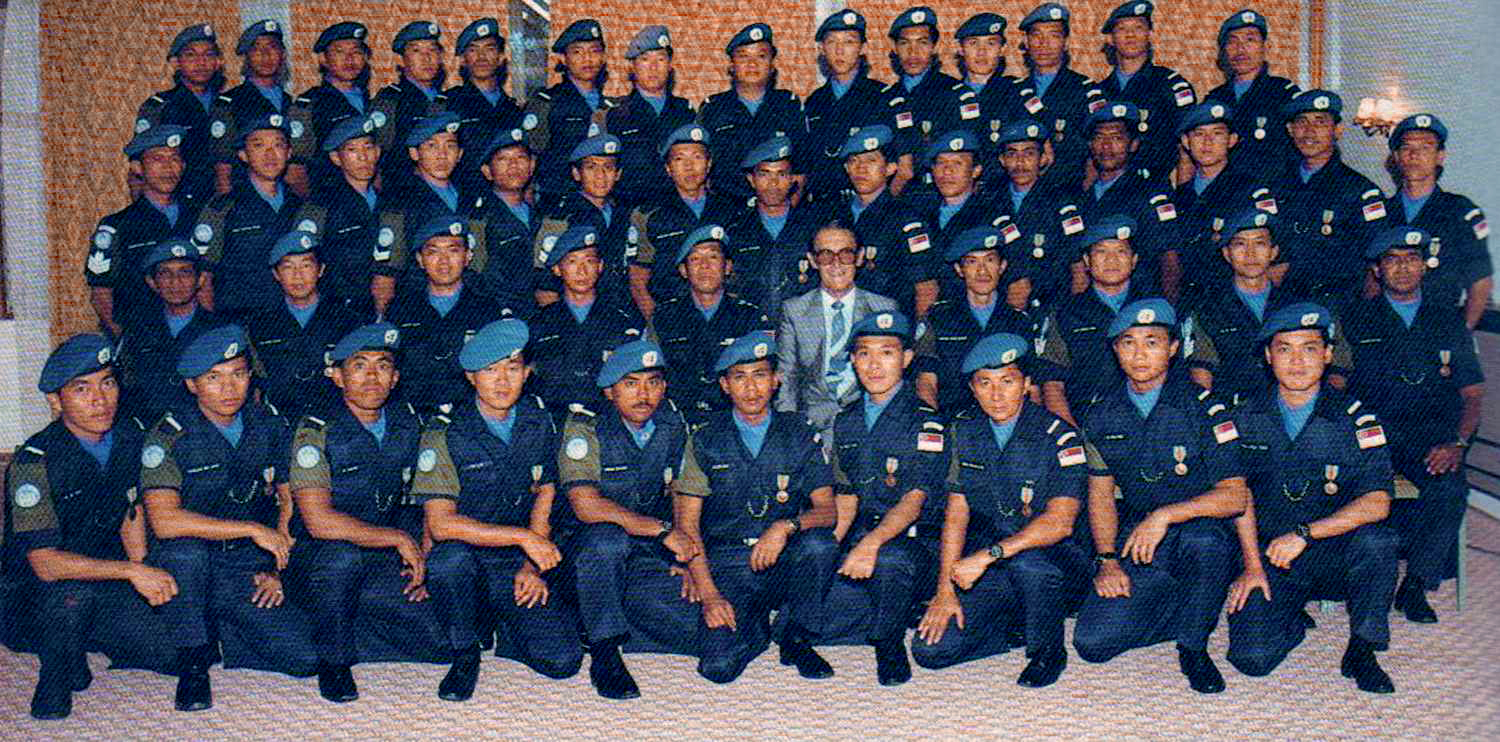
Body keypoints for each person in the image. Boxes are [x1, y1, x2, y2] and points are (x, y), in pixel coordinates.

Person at [1071, 299, 1247, 694]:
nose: (1139, 354)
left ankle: (1194, 646)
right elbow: (1100, 495)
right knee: (1092, 643)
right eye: (1128, 343)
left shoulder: (1205, 408)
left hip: (1202, 530)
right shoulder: (1101, 414)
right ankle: (1194, 602)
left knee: (1205, 542)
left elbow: (1236, 497)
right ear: (1115, 350)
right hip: (1142, 536)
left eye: (1152, 342)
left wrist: (1166, 515)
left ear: (1172, 348)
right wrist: (1107, 561)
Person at [1223, 303, 1400, 694]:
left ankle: (1363, 648)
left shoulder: (1358, 420)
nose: (1297, 361)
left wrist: (1306, 532)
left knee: (1379, 541)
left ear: (1328, 354)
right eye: (1285, 349)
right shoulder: (1244, 417)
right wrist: (1251, 565)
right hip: (1272, 554)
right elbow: (1238, 496)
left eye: (1309, 348)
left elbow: (1377, 502)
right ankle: (1291, 618)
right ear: (1269, 357)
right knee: (1252, 659)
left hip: (1335, 551)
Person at [140, 325, 318, 711]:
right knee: (186, 554)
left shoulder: (269, 425)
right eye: (213, 378)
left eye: (238, 374)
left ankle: (220, 625)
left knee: (305, 658)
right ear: (192, 385)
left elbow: (289, 505)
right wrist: (252, 528)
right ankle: (193, 664)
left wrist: (277, 570)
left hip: (245, 566)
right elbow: (164, 521)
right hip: (189, 564)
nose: (228, 388)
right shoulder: (169, 436)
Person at [4, 336, 176, 719]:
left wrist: (142, 569)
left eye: (108, 382)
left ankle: (78, 639)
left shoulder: (130, 438)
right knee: (70, 601)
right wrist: (131, 571)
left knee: (171, 653)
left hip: (104, 578)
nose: (100, 400)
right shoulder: (33, 463)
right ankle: (57, 669)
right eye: (82, 389)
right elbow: (45, 565)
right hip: (38, 593)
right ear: (55, 400)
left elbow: (131, 511)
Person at [413, 319, 584, 701]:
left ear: (527, 373)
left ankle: (502, 621)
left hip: (516, 561)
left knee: (563, 660)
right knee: (447, 562)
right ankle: (464, 651)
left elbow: (545, 493)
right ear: (472, 377)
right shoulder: (444, 432)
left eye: (512, 368)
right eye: (490, 370)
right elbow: (440, 525)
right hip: (467, 557)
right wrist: (523, 538)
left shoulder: (540, 422)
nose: (502, 381)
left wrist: (531, 563)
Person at [912, 333, 1087, 687]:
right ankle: (1011, 628)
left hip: (1054, 561)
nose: (996, 394)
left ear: (1025, 384)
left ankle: (1047, 651)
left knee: (1030, 564)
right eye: (985, 383)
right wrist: (945, 588)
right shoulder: (964, 432)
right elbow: (956, 512)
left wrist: (989, 556)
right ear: (972, 389)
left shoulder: (1060, 437)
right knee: (930, 651)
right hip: (995, 562)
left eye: (1007, 381)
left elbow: (1061, 522)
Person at [282, 323, 445, 703]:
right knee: (341, 558)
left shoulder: (408, 422)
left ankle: (337, 620)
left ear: (396, 376)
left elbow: (423, 502)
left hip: (380, 557)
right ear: (337, 376)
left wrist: (425, 559)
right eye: (358, 366)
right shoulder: (315, 431)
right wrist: (398, 538)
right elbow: (318, 521)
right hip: (319, 560)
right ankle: (334, 661)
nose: (372, 376)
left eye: (382, 365)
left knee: (440, 642)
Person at [671, 331, 841, 683]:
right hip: (728, 563)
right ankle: (757, 626)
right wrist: (710, 595)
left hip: (784, 559)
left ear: (776, 380)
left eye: (760, 375)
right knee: (717, 668)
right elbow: (687, 527)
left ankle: (796, 635)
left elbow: (828, 510)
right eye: (739, 377)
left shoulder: (799, 432)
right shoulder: (703, 439)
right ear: (724, 385)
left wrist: (785, 527)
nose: (751, 388)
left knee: (820, 544)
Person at [1340, 227, 1484, 625]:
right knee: (1351, 490)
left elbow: (1472, 394)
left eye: (1410, 259)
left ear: (1423, 266)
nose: (1402, 268)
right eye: (1391, 260)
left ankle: (1417, 585)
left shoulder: (1448, 322)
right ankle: (1341, 580)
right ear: (1377, 269)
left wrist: (1457, 442)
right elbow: (1335, 386)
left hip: (1431, 439)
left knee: (1450, 487)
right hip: (1371, 438)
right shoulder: (1354, 319)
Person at [557, 339, 701, 699]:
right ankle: (604, 651)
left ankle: (600, 614)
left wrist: (685, 557)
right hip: (581, 555)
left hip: (645, 553)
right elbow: (586, 506)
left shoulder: (672, 423)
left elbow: (683, 497)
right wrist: (663, 531)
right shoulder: (583, 427)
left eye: (653, 382)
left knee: (699, 631)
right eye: (631, 383)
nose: (644, 394)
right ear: (609, 391)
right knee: (607, 538)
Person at [820, 310, 948, 686]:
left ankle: (888, 641)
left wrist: (872, 544)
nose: (874, 365)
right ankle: (888, 609)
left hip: (913, 546)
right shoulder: (847, 420)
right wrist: (829, 549)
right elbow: (846, 496)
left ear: (907, 359)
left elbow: (915, 499)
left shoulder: (927, 421)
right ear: (853, 361)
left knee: (890, 560)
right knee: (802, 617)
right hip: (864, 539)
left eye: (887, 353)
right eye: (864, 354)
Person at [774, 223, 899, 432]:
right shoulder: (794, 310)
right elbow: (787, 377)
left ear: (859, 257)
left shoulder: (883, 309)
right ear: (813, 260)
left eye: (846, 254)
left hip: (868, 423)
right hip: (811, 425)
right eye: (825, 255)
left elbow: (893, 378)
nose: (836, 264)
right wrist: (789, 434)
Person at [383, 215, 509, 416]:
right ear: (420, 260)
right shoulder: (400, 309)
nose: (443, 261)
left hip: (469, 416)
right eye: (433, 252)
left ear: (467, 256)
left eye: (453, 250)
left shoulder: (488, 310)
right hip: (411, 414)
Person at [1271, 90, 1388, 304]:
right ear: (1290, 130)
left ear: (1338, 130)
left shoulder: (1360, 191)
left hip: (1338, 302)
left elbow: (1377, 262)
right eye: (1302, 122)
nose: (1309, 132)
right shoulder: (1275, 186)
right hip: (1282, 301)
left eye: (1320, 122)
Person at [194, 112, 313, 320]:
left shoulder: (304, 209)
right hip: (241, 322)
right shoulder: (221, 210)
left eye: (278, 145)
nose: (270, 154)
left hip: (291, 323)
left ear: (289, 153)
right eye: (258, 145)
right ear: (243, 154)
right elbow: (203, 280)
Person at [649, 225, 772, 426]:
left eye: (713, 257)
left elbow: (762, 381)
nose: (704, 266)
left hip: (733, 423)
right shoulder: (663, 317)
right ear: (683, 270)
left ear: (728, 267)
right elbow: (652, 376)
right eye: (695, 259)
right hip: (677, 422)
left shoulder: (751, 317)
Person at [1035, 216, 1154, 425]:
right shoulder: (1065, 313)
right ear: (1087, 262)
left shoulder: (1154, 311)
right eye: (1101, 251)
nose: (1111, 260)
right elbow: (1052, 386)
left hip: (1149, 424)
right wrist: (1075, 438)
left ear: (1134, 260)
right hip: (1087, 425)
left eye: (1120, 251)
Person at [87, 124, 203, 337]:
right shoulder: (117, 226)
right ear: (138, 168)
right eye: (157, 159)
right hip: (140, 337)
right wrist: (124, 339)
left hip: (193, 336)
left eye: (175, 158)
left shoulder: (201, 218)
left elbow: (207, 280)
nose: (169, 168)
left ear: (184, 165)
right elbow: (101, 291)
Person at [1182, 208, 1306, 403]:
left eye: (1260, 244)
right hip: (1233, 414)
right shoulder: (1207, 309)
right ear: (1226, 253)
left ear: (1274, 252)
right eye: (1240, 244)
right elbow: (1201, 377)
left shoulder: (1297, 306)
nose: (1250, 254)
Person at [1380, 114, 1492, 328]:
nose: (1414, 155)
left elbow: (1481, 282)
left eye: (1425, 148)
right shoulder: (1381, 212)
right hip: (1387, 328)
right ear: (1396, 156)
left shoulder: (1461, 212)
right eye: (1406, 147)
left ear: (1440, 156)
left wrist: (1462, 336)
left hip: (1439, 326)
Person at [527, 226, 646, 421]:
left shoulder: (624, 323)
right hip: (553, 423)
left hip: (608, 424)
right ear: (557, 269)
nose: (582, 271)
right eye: (572, 261)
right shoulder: (539, 324)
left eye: (589, 261)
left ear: (600, 267)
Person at [915, 227, 1037, 414]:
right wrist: (933, 424)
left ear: (1002, 266)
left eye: (990, 260)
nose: (982, 271)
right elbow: (926, 382)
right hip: (952, 421)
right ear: (959, 269)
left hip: (1004, 420)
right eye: (972, 262)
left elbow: (1032, 387)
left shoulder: (1020, 322)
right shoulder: (937, 318)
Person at [822, 126, 937, 320]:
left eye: (871, 160)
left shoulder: (907, 220)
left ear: (891, 168)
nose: (861, 168)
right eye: (853, 161)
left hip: (887, 329)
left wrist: (912, 337)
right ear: (846, 168)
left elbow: (926, 290)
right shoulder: (833, 217)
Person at [626, 124, 743, 312]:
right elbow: (638, 282)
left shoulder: (731, 210)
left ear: (709, 163)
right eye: (680, 159)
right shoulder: (648, 214)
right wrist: (657, 325)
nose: (689, 167)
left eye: (697, 157)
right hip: (669, 314)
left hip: (724, 314)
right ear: (668, 168)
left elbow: (739, 270)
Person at [243, 230, 359, 419]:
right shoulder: (258, 325)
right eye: (288, 267)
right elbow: (255, 385)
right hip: (279, 421)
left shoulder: (348, 321)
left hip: (336, 421)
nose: (298, 276)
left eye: (306, 265)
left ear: (320, 270)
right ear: (276, 274)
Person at [803, 9, 914, 203]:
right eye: (832, 42)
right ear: (821, 49)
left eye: (849, 42)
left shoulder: (886, 98)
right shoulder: (815, 101)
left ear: (862, 48)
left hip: (868, 206)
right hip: (821, 208)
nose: (839, 50)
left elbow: (905, 169)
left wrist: (877, 210)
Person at [1071, 102, 1178, 298]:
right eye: (1099, 138)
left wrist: (1168, 313)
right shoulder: (1079, 197)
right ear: (1089, 145)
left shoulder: (1150, 191)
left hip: (1140, 302)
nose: (1107, 146)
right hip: (1091, 307)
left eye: (1116, 138)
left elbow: (1169, 259)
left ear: (1133, 144)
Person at [114, 240, 227, 421]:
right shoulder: (136, 330)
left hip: (203, 430)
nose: (176, 282)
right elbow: (125, 386)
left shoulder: (221, 330)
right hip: (148, 425)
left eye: (185, 272)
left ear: (200, 280)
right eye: (165, 273)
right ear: (152, 282)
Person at [699, 23, 808, 205]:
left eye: (761, 56)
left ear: (772, 65)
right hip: (726, 209)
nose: (752, 64)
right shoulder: (713, 108)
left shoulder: (789, 105)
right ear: (732, 66)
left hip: (776, 210)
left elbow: (801, 170)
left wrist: (784, 218)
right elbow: (702, 172)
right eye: (743, 57)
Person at [921, 130, 1029, 312]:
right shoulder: (920, 214)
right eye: (941, 163)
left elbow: (1020, 285)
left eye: (957, 163)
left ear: (976, 171)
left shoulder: (995, 217)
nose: (947, 171)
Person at [726, 135, 825, 324]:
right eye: (764, 174)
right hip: (749, 328)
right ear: (751, 180)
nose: (773, 184)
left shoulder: (815, 228)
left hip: (805, 328)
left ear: (793, 180)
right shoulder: (735, 230)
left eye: (781, 174)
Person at [1094, 1, 1196, 181]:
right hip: (1108, 191)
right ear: (1110, 39)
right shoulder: (1098, 92)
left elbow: (1187, 150)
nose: (1130, 35)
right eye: (1122, 29)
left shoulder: (1170, 86)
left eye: (1138, 28)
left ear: (1150, 35)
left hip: (1153, 188)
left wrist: (1183, 199)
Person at [301, 113, 388, 317]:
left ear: (377, 152)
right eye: (351, 150)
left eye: (368, 147)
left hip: (386, 305)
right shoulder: (321, 206)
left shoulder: (391, 202)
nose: (362, 157)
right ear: (336, 158)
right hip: (339, 308)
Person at [987, 118, 1080, 307]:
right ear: (1002, 160)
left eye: (1029, 153)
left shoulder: (1063, 203)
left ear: (1043, 158)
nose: (1020, 162)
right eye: (1012, 154)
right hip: (998, 301)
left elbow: (1077, 269)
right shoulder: (988, 202)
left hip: (1052, 302)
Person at [209, 20, 308, 197]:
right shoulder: (229, 103)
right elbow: (223, 169)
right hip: (245, 198)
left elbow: (298, 168)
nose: (265, 55)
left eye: (272, 47)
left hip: (286, 199)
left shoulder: (292, 103)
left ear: (283, 54)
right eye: (256, 49)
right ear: (246, 57)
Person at [1016, 3, 1106, 187]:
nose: (1044, 43)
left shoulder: (1086, 91)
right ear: (1026, 42)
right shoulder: (1012, 90)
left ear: (1066, 43)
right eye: (1036, 35)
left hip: (1067, 190)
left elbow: (1097, 154)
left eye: (1054, 35)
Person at [523, 19, 613, 200]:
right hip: (559, 204)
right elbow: (527, 158)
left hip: (602, 203)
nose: (587, 59)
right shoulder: (546, 104)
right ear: (563, 59)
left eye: (594, 51)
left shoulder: (613, 107)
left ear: (603, 57)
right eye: (578, 52)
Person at [607, 26, 697, 205]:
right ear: (632, 67)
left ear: (670, 65)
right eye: (645, 59)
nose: (653, 67)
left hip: (676, 210)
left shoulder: (684, 111)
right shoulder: (614, 114)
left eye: (661, 59)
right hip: (631, 210)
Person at [135, 24, 224, 203]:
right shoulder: (160, 107)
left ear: (217, 63)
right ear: (176, 63)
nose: (201, 62)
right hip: (179, 202)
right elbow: (138, 171)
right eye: (191, 55)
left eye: (208, 55)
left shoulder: (232, 105)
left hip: (226, 204)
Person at [1205, 9, 1299, 167]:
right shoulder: (1215, 98)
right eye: (1232, 41)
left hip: (1272, 187)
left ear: (1265, 46)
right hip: (1226, 188)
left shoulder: (1283, 94)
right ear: (1224, 51)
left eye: (1250, 40)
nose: (1240, 49)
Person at [470, 127, 545, 316]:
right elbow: (476, 280)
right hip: (502, 316)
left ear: (532, 165)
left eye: (520, 158)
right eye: (503, 159)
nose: (514, 166)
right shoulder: (480, 219)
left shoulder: (543, 216)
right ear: (487, 171)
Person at [290, 22, 373, 191]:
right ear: (323, 59)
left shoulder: (374, 103)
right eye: (340, 52)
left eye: (356, 51)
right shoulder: (309, 105)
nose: (349, 59)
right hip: (329, 198)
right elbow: (296, 171)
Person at [446, 18, 522, 197]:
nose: (481, 57)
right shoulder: (450, 104)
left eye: (489, 49)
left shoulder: (514, 109)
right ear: (463, 60)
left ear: (501, 58)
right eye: (473, 50)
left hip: (507, 200)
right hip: (465, 199)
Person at [371, 21, 449, 193]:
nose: (426, 58)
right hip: (404, 194)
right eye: (416, 51)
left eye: (432, 50)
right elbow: (376, 158)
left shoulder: (450, 100)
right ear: (401, 60)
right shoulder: (390, 101)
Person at [884, 7, 962, 160]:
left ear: (935, 47)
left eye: (922, 43)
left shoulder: (953, 93)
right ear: (894, 48)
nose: (913, 53)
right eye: (905, 43)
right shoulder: (884, 97)